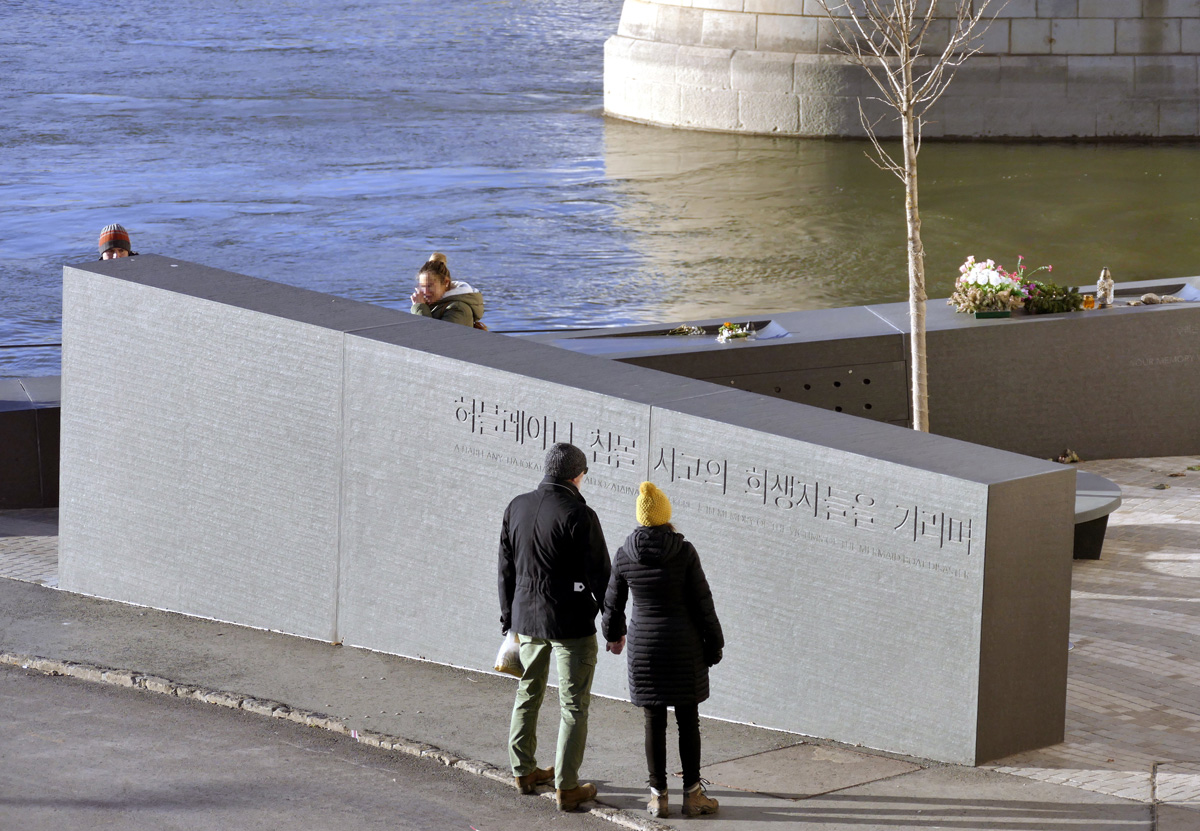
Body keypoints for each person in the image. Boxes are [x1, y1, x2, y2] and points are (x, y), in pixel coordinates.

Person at [498, 442, 610, 812]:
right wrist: (613, 624)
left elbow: (506, 569)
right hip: (570, 624)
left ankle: (523, 771)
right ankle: (567, 786)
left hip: (527, 620)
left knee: (528, 692)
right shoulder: (579, 513)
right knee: (573, 704)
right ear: (577, 475)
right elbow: (600, 576)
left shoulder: (517, 505)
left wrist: (508, 619)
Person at [602, 482, 724, 819]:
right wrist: (715, 645)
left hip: (645, 649)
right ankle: (693, 795)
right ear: (666, 515)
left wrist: (612, 636)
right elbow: (704, 603)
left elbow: (612, 604)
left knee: (653, 721)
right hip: (684, 647)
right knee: (688, 721)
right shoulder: (683, 552)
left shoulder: (626, 553)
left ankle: (658, 797)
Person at [409, 252, 485, 327]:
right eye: (422, 286)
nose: (425, 292)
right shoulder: (433, 305)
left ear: (446, 282)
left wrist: (419, 308)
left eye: (429, 286)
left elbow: (437, 337)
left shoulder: (458, 308)